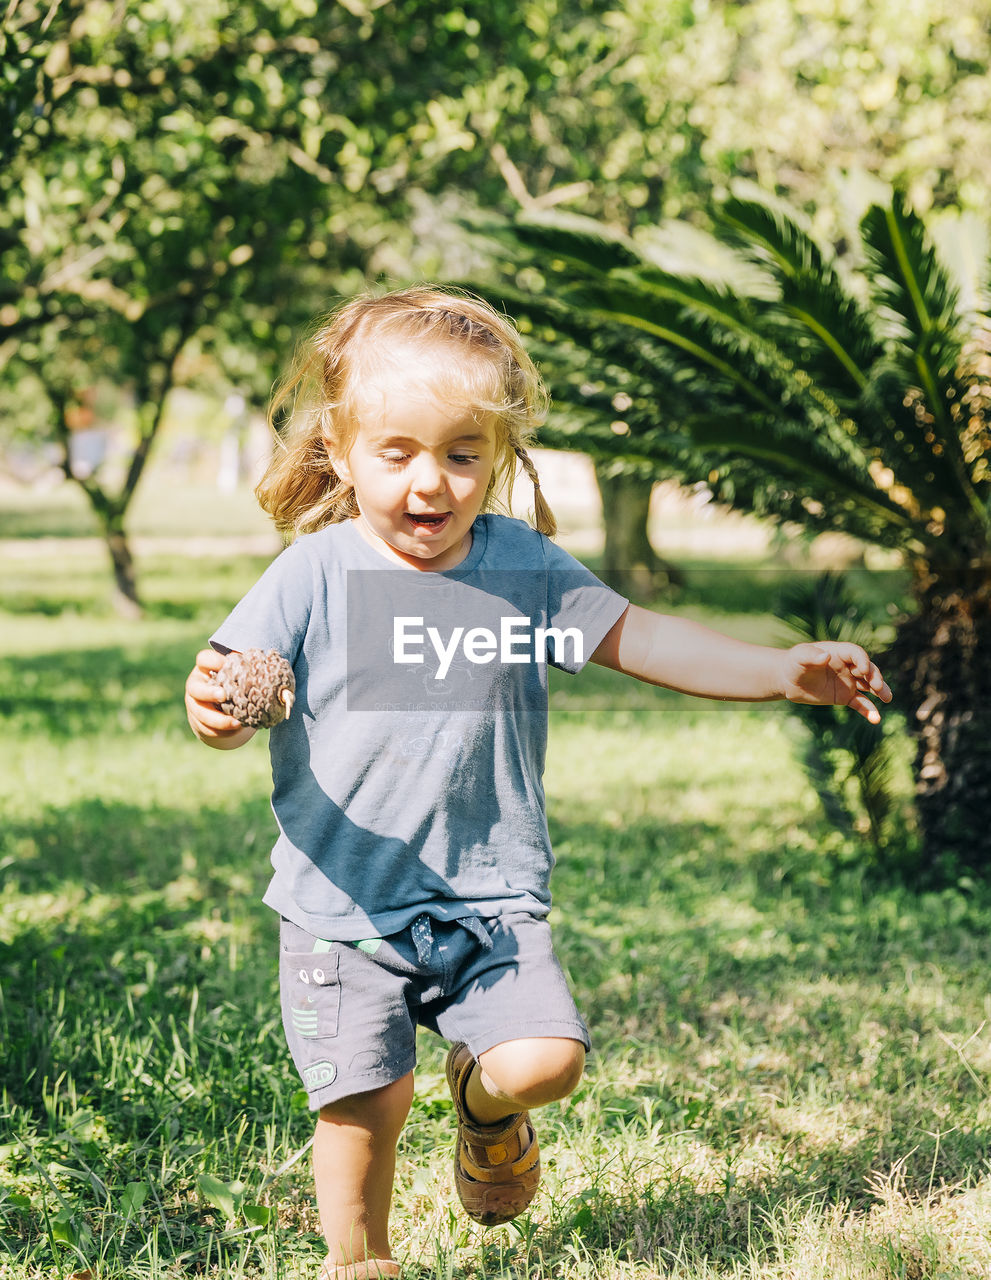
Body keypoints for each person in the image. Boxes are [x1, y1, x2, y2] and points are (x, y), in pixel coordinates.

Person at [184, 287, 891, 1279]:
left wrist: (778, 668)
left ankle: (484, 1104)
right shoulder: (314, 574)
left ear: (499, 456)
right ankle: (360, 1258)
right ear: (339, 451)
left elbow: (638, 637)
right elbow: (222, 674)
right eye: (396, 452)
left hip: (490, 895)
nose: (429, 483)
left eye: (462, 453)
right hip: (342, 901)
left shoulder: (520, 569)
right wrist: (213, 708)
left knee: (542, 1061)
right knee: (364, 1100)